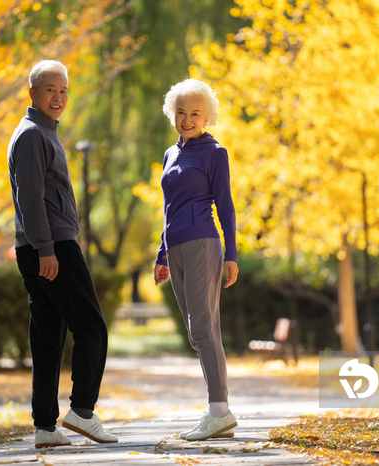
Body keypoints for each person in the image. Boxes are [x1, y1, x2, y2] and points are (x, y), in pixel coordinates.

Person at [8, 60, 117, 448]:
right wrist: (46, 249)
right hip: (51, 246)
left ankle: (45, 427)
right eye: (50, 89)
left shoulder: (42, 133)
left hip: (42, 245)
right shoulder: (34, 135)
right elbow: (31, 198)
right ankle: (83, 411)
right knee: (91, 327)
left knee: (48, 336)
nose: (58, 97)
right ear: (32, 92)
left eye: (64, 90)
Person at [153, 78, 239, 441]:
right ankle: (218, 412)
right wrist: (161, 253)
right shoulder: (171, 154)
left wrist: (232, 254)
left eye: (195, 114)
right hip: (176, 249)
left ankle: (219, 411)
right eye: (181, 112)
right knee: (196, 332)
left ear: (207, 117)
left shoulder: (214, 153)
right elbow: (169, 208)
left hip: (204, 243)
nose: (187, 119)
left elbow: (226, 205)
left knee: (204, 329)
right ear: (173, 114)